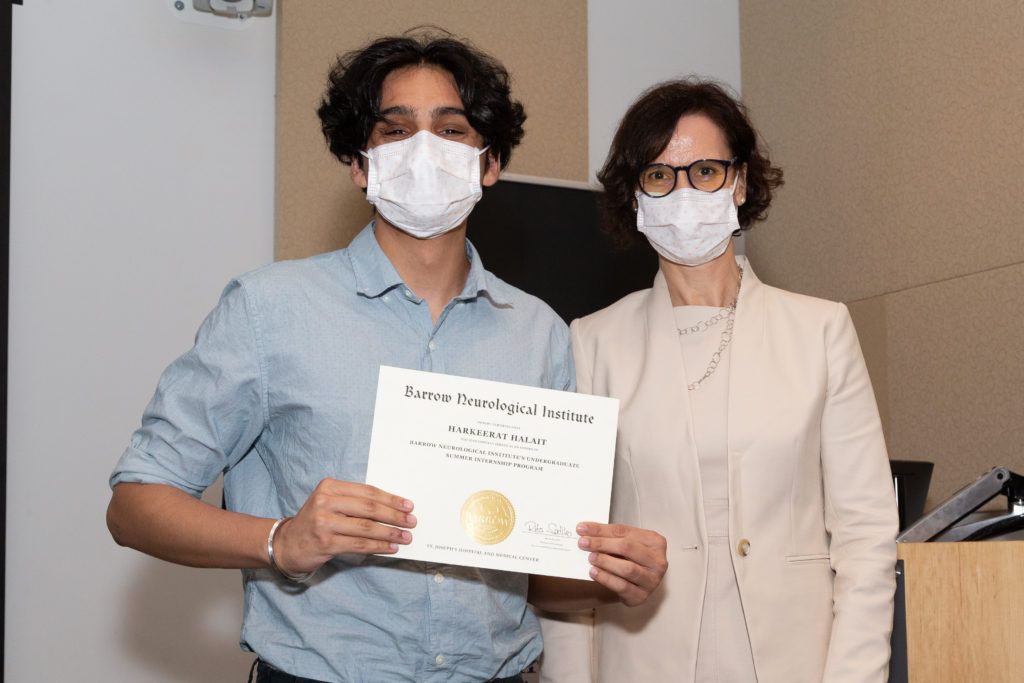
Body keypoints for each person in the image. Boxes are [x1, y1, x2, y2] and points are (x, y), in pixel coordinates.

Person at [106, 31, 666, 683]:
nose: (423, 150)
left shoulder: (538, 332)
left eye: (450, 130)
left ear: (489, 163)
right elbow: (136, 503)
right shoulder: (270, 308)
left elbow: (532, 579)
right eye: (395, 131)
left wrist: (611, 576)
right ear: (360, 164)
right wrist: (279, 538)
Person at [538, 80, 899, 683]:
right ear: (634, 197)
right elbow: (570, 550)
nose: (683, 191)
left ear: (740, 182)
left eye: (704, 170)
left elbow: (865, 536)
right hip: (645, 657)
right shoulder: (591, 341)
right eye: (659, 176)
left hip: (794, 659)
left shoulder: (820, 329)